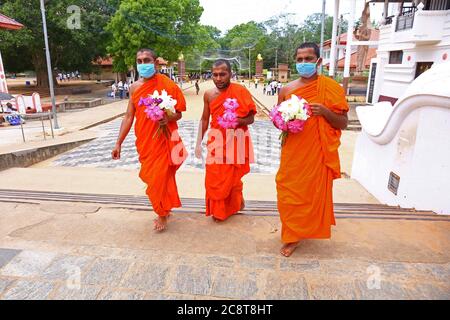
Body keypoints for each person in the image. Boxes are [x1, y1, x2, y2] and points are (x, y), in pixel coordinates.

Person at [275, 42, 349, 257]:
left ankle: (294, 236)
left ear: (318, 61)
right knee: (287, 192)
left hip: (317, 154)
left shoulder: (331, 88)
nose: (303, 63)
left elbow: (342, 123)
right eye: (299, 60)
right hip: (293, 152)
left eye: (308, 59)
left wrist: (325, 111)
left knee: (311, 195)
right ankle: (292, 233)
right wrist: (286, 120)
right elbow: (276, 120)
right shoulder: (286, 90)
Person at [112, 48, 187, 232]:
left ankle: (162, 213)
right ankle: (164, 206)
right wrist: (118, 142)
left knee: (159, 178)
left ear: (155, 62)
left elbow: (178, 114)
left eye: (147, 60)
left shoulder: (168, 85)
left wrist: (167, 118)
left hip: (164, 139)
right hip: (146, 141)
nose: (143, 64)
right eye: (140, 61)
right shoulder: (135, 87)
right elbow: (129, 116)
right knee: (152, 177)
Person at [195, 59, 256, 222]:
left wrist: (240, 121)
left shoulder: (241, 91)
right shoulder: (208, 94)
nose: (219, 78)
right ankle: (219, 209)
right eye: (215, 75)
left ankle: (234, 203)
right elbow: (204, 119)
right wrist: (198, 143)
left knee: (234, 177)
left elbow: (251, 118)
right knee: (214, 178)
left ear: (230, 74)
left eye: (223, 74)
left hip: (237, 139)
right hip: (216, 141)